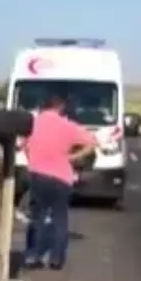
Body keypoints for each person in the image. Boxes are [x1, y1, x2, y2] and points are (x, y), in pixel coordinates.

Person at [21, 95, 97, 270]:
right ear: (60, 108)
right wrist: (71, 157)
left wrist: (33, 160)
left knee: (37, 217)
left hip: (38, 174)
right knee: (59, 218)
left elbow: (24, 146)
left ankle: (33, 255)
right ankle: (56, 259)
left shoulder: (33, 123)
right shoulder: (67, 125)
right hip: (62, 177)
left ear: (44, 107)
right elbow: (92, 142)